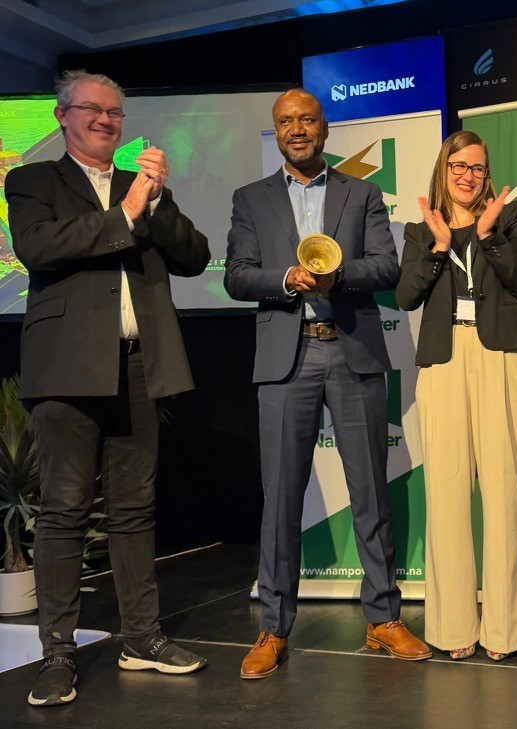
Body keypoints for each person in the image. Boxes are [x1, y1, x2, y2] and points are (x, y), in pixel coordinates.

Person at [7, 70, 211, 707]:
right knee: (65, 513)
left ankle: (142, 639)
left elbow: (195, 257)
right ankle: (58, 656)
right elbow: (40, 249)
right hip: (67, 368)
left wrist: (158, 202)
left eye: (115, 112)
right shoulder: (33, 180)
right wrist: (125, 214)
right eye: (92, 110)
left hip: (138, 365)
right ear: (64, 117)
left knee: (134, 510)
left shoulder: (140, 187)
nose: (105, 120)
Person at [224, 88, 431, 679]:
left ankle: (383, 619)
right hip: (285, 362)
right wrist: (287, 279)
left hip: (351, 352)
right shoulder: (250, 199)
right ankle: (272, 628)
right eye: (286, 121)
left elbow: (386, 267)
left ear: (324, 128)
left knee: (370, 491)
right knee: (281, 498)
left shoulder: (360, 192)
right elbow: (237, 276)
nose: (297, 128)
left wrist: (337, 276)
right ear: (276, 130)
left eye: (307, 119)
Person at [396, 131, 517, 662]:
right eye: (459, 164)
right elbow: (406, 295)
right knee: (448, 496)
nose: (468, 174)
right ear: (444, 168)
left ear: (486, 173)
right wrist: (437, 247)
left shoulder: (508, 217)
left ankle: (505, 632)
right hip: (445, 360)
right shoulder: (419, 229)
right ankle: (454, 628)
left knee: (503, 495)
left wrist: (488, 235)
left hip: (500, 358)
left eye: (477, 166)